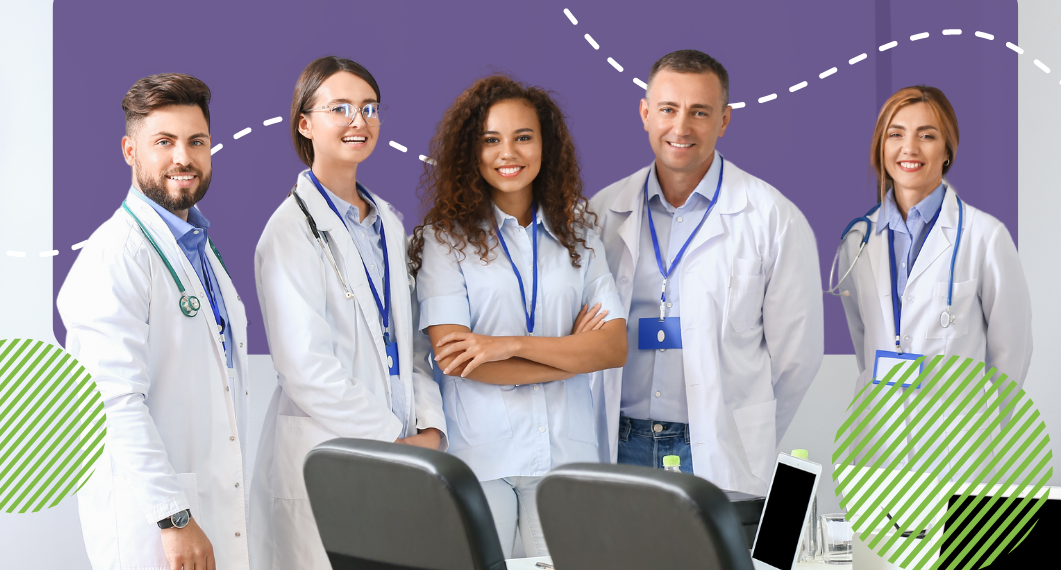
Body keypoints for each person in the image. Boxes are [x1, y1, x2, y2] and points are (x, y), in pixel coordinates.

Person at [589, 49, 824, 496]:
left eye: (699, 112)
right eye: (668, 110)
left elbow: (797, 358)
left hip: (716, 453)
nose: (681, 127)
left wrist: (737, 427)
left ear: (725, 120)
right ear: (644, 114)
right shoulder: (603, 213)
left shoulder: (772, 217)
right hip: (621, 445)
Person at [411, 74, 627, 558]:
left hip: (566, 459)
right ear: (471, 151)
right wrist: (571, 352)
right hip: (482, 457)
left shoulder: (580, 232)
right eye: (491, 140)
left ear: (545, 146)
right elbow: (456, 359)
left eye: (523, 137)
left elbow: (612, 348)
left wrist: (504, 344)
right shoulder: (444, 242)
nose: (508, 153)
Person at [250, 56, 446, 570]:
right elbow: (305, 369)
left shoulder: (389, 223)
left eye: (369, 108)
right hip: (331, 453)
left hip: (401, 453)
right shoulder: (288, 231)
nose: (358, 121)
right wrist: (393, 440)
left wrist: (430, 426)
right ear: (305, 124)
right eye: (340, 108)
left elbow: (411, 346)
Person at [57, 73, 250, 570]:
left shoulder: (199, 247)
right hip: (155, 528)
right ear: (130, 150)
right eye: (163, 142)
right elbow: (112, 402)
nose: (182, 157)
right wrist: (174, 518)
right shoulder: (116, 254)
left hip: (208, 508)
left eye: (196, 141)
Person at [831, 85, 1032, 394]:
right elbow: (864, 340)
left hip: (957, 435)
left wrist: (987, 430)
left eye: (926, 136)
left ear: (947, 150)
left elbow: (1012, 352)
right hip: (879, 432)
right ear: (880, 147)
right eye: (895, 135)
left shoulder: (985, 237)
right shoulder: (857, 240)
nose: (909, 148)